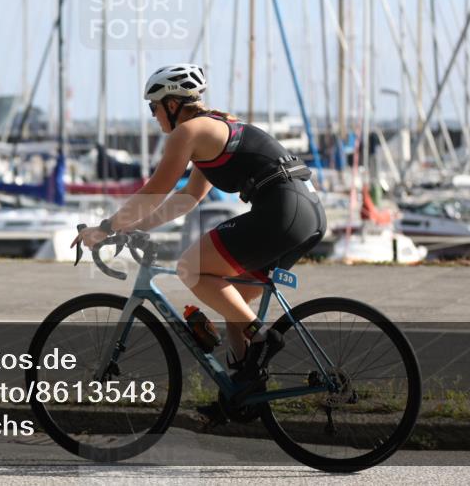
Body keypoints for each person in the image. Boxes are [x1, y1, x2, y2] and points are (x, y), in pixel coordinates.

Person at [73, 63, 327, 384]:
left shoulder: (188, 132)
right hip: (307, 214)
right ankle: (240, 388)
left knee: (190, 268)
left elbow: (155, 191)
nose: (153, 115)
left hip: (284, 212)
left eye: (154, 107)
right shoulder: (213, 128)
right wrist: (134, 228)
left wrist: (105, 228)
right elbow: (188, 197)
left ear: (173, 104)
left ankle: (263, 337)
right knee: (229, 297)